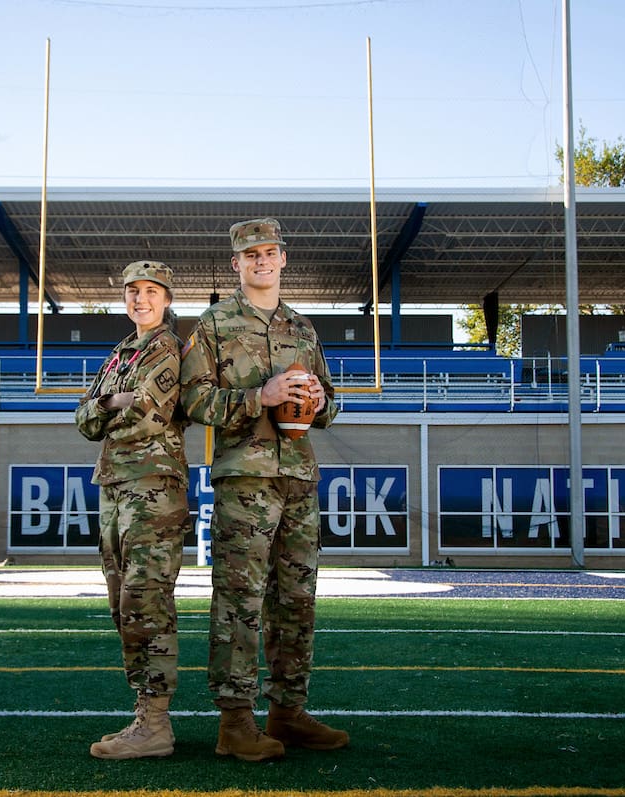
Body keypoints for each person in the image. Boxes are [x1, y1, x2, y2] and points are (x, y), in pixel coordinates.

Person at [180, 218, 349, 762]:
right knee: (240, 600)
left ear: (283, 260)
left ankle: (288, 711)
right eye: (250, 254)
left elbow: (330, 400)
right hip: (245, 479)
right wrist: (261, 395)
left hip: (298, 476)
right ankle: (235, 722)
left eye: (270, 252)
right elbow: (193, 403)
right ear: (236, 263)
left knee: (297, 600)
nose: (261, 261)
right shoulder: (213, 323)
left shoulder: (302, 328)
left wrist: (320, 403)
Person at [74, 260, 189, 760]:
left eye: (150, 291)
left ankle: (155, 723)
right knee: (122, 598)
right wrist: (110, 402)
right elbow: (82, 417)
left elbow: (147, 415)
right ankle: (144, 713)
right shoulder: (121, 352)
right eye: (132, 291)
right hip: (116, 485)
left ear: (165, 299)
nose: (140, 299)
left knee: (145, 598)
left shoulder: (166, 347)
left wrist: (111, 406)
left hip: (152, 487)